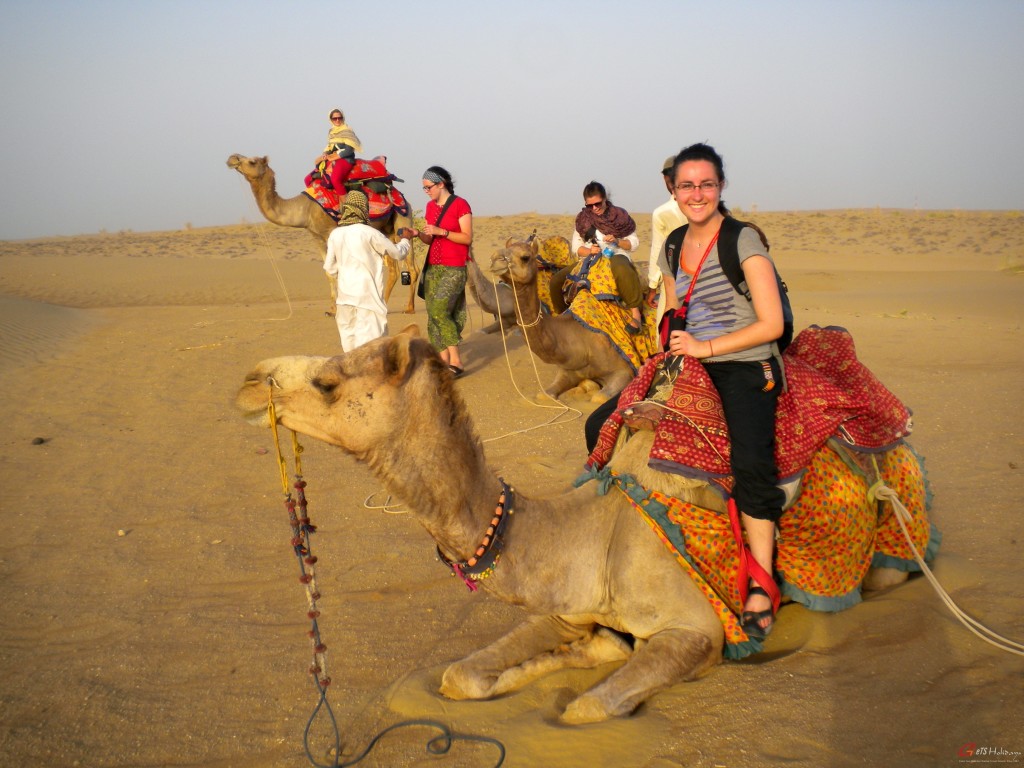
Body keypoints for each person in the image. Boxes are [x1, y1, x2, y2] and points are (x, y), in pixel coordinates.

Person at [657, 142, 786, 640]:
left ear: (721, 187)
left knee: (749, 460)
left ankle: (761, 579)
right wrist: (666, 342)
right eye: (687, 185)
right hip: (689, 358)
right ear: (673, 189)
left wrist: (705, 348)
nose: (697, 193)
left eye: (706, 184)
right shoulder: (671, 244)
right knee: (604, 425)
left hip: (744, 362)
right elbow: (673, 310)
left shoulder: (743, 240)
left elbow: (771, 323)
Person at [402, 166, 472, 377]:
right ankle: (442, 361)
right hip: (433, 267)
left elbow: (467, 237)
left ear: (441, 184)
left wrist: (442, 231)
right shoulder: (430, 207)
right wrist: (417, 233)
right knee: (432, 315)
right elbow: (430, 238)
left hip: (454, 266)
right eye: (424, 188)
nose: (426, 191)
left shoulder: (461, 204)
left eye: (428, 187)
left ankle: (457, 361)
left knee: (440, 310)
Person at [323, 190, 413, 352]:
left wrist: (346, 271)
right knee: (372, 349)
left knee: (349, 347)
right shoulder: (370, 233)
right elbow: (398, 253)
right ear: (364, 208)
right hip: (368, 299)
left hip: (344, 299)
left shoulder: (335, 234)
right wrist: (405, 239)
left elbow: (329, 267)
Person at [552, 182, 644, 333]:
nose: (594, 208)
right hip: (590, 259)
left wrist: (617, 241)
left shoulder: (620, 217)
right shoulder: (583, 220)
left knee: (621, 268)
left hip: (615, 254)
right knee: (556, 280)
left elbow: (634, 243)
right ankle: (561, 316)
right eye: (590, 205)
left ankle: (636, 314)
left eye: (597, 203)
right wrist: (589, 251)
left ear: (605, 199)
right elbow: (577, 247)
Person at [648, 155, 687, 324]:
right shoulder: (710, 208)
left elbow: (658, 249)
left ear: (665, 178)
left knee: (666, 328)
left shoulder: (662, 213)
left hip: (673, 278)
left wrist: (652, 285)